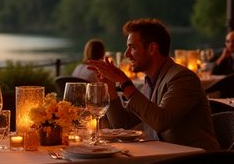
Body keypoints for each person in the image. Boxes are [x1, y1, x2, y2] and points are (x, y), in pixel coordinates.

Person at [85, 18, 220, 151]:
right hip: (165, 159)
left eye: (132, 47)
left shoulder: (183, 78)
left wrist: (124, 82)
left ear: (152, 48)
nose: (127, 54)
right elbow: (122, 124)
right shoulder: (150, 82)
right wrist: (110, 88)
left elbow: (161, 122)